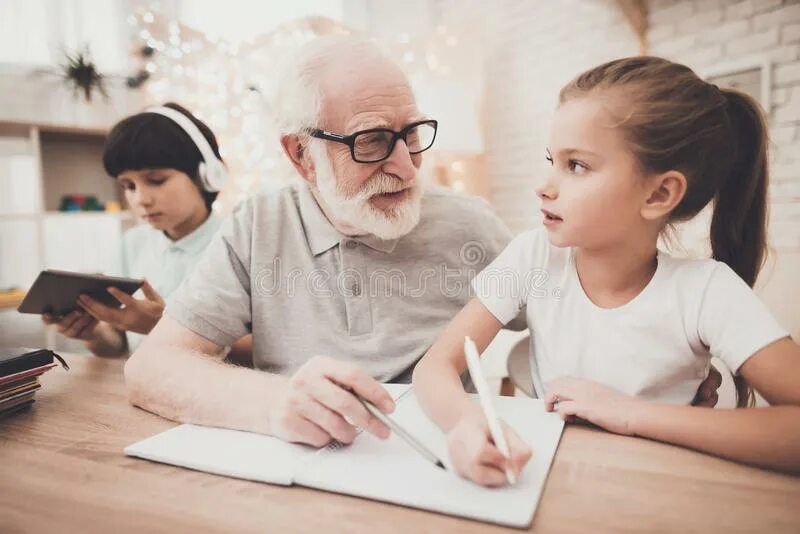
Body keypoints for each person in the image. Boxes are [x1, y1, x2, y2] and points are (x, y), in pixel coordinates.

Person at [123, 39, 720, 448]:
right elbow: (153, 368)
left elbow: (585, 312)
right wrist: (277, 405)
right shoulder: (257, 226)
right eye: (373, 141)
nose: (406, 167)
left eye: (413, 134)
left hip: (444, 466)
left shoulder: (469, 224)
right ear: (300, 154)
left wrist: (666, 368)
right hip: (296, 468)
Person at [413, 56, 800, 485]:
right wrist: (465, 422)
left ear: (660, 193)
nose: (544, 185)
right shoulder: (532, 257)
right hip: (548, 481)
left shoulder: (707, 292)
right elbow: (435, 368)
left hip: (661, 490)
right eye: (551, 160)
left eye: (576, 165)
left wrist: (632, 414)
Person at [43, 103, 241, 357]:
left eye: (155, 181)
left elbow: (261, 353)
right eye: (128, 185)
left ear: (207, 175)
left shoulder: (239, 244)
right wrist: (93, 334)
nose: (140, 199)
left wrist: (166, 327)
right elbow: (117, 344)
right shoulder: (131, 244)